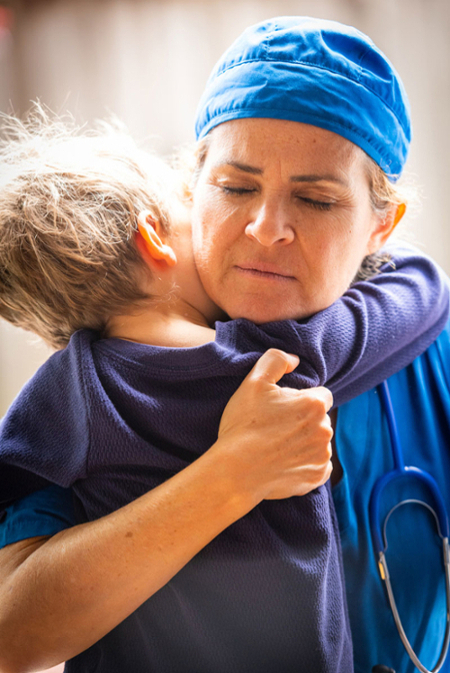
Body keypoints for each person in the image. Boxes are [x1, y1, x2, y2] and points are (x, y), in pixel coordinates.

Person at [0, 16, 449, 673]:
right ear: (190, 186)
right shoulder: (90, 379)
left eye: (317, 200)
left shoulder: (427, 350)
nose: (268, 229)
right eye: (236, 188)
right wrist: (225, 476)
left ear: (383, 224)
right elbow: (13, 634)